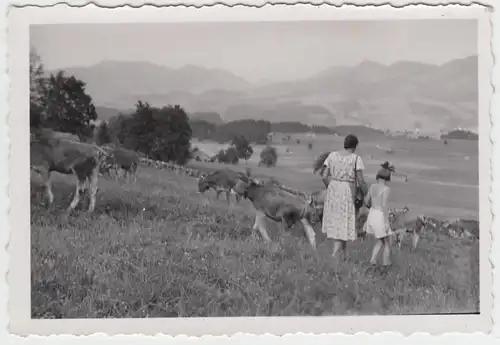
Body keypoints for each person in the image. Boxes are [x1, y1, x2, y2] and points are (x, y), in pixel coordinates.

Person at [320, 134, 368, 260]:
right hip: (347, 190)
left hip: (333, 189)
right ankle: (335, 256)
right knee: (343, 223)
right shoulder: (355, 158)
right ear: (355, 146)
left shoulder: (332, 155)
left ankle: (343, 255)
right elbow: (361, 180)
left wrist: (331, 187)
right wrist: (367, 194)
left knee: (339, 223)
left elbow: (324, 176)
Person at [363, 164, 394, 270]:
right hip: (380, 215)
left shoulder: (372, 187)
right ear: (388, 178)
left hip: (372, 213)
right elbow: (384, 205)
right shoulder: (386, 189)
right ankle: (386, 265)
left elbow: (366, 201)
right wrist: (386, 222)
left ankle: (373, 260)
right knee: (387, 242)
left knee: (380, 240)